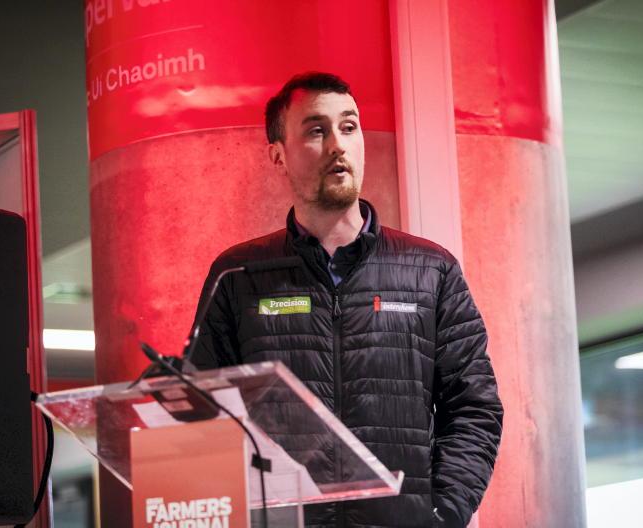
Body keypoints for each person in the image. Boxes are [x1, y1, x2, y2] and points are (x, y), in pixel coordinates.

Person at [188, 72, 503, 528]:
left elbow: (473, 406)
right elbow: (204, 416)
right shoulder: (238, 276)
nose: (338, 144)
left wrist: (442, 513)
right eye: (316, 130)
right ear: (278, 154)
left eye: (349, 127)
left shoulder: (431, 270)